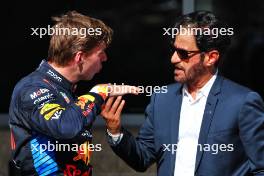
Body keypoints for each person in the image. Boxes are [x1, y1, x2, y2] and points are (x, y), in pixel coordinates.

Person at [101, 11, 264, 176]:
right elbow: (143, 157)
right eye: (174, 50)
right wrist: (116, 131)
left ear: (211, 58)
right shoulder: (162, 98)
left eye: (183, 53)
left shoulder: (242, 102)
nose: (173, 59)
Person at [9, 11, 137, 175]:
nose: (105, 58)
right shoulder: (32, 88)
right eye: (101, 53)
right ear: (80, 57)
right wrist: (97, 94)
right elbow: (65, 126)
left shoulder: (65, 88)